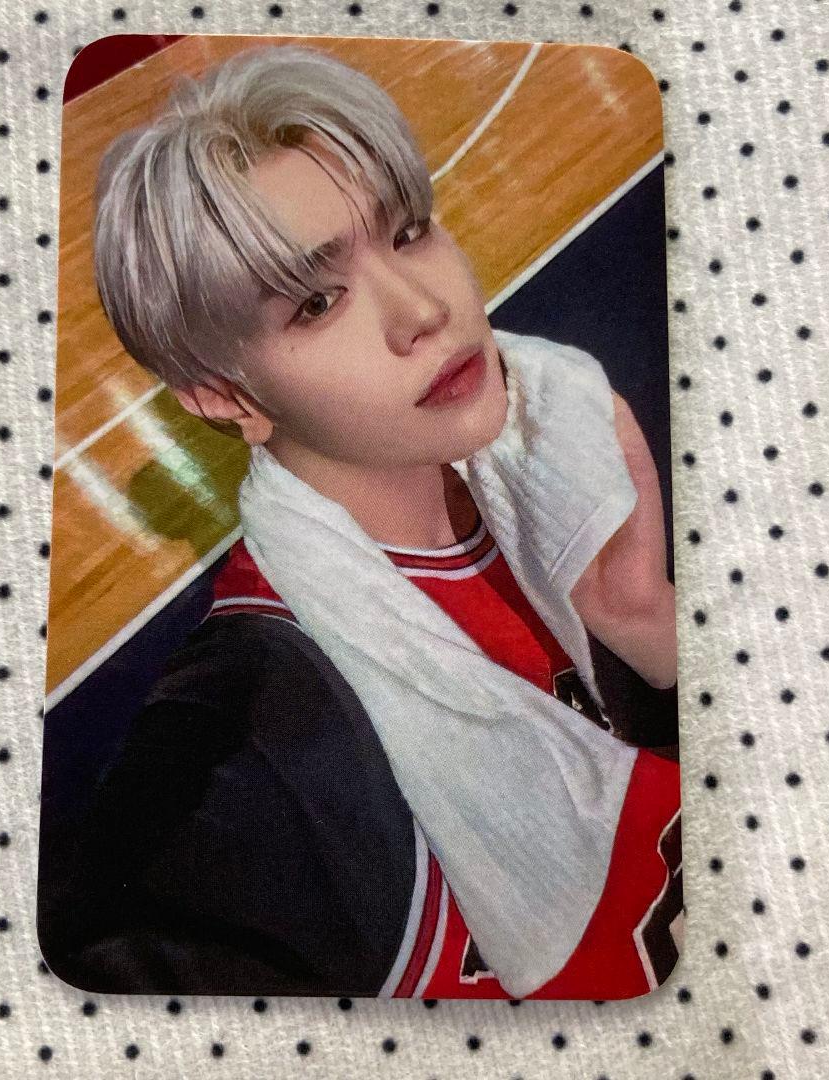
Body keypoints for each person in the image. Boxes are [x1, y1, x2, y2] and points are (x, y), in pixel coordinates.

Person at [39, 42, 681, 999]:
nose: (423, 308)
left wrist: (647, 623)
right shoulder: (248, 751)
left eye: (410, 230)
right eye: (317, 301)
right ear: (226, 397)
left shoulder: (573, 460)